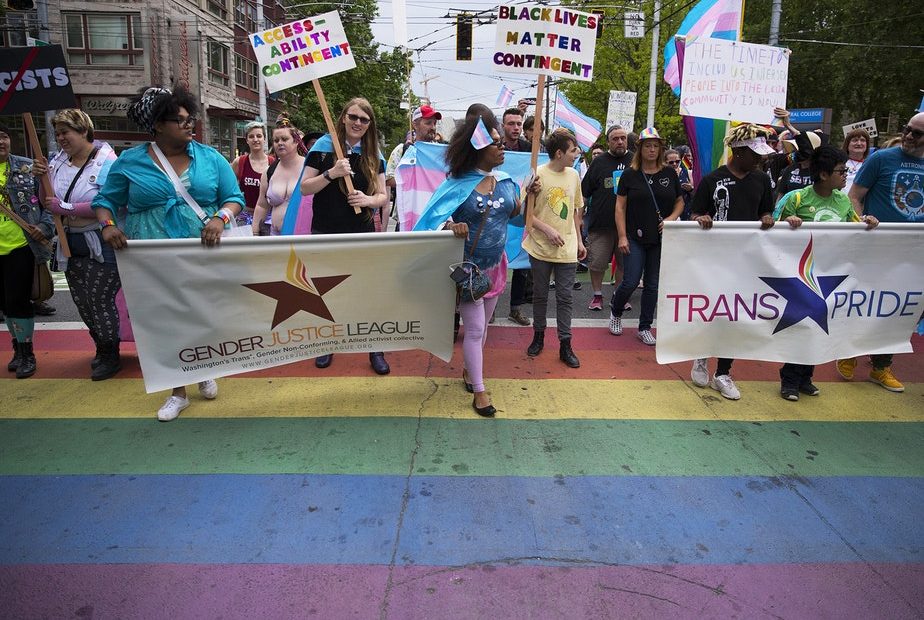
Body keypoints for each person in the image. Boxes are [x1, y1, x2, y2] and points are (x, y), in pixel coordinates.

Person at [92, 86, 245, 421]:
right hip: (151, 255)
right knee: (163, 319)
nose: (190, 126)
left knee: (200, 313)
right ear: (158, 126)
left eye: (191, 120)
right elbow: (105, 201)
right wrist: (107, 226)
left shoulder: (210, 157)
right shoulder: (130, 162)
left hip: (201, 250)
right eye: (180, 121)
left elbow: (235, 197)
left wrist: (221, 218)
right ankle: (177, 391)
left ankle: (201, 366)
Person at [414, 108, 538, 416]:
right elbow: (430, 221)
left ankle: (471, 372)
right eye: (495, 143)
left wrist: (528, 195)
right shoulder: (457, 184)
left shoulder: (507, 181)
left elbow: (516, 217)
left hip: (497, 267)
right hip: (468, 270)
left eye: (501, 142)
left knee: (482, 331)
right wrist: (451, 225)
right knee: (474, 329)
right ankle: (480, 392)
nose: (502, 147)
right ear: (478, 149)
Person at [776, 145, 879, 400]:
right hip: (800, 276)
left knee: (819, 326)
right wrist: (787, 223)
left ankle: (805, 378)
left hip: (829, 276)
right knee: (800, 326)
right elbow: (770, 230)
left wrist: (868, 222)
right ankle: (789, 380)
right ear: (823, 174)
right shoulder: (796, 198)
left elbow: (854, 227)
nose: (846, 175)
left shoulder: (843, 200)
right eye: (841, 171)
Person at [299, 97, 391, 376]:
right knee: (327, 290)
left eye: (364, 119)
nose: (358, 123)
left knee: (367, 291)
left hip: (361, 232)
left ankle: (375, 347)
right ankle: (328, 341)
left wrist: (368, 199)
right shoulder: (323, 148)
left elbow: (383, 196)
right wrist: (331, 173)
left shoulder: (374, 154)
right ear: (342, 117)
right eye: (353, 117)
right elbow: (304, 188)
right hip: (326, 231)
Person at [689, 123, 777, 400]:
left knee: (737, 315)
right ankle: (701, 355)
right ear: (738, 152)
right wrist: (699, 219)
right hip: (714, 259)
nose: (760, 159)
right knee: (713, 310)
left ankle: (723, 372)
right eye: (754, 154)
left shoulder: (762, 180)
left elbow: (766, 210)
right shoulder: (711, 180)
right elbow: (695, 213)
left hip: (747, 259)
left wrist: (766, 218)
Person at [838, 112, 924, 392]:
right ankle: (850, 351)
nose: (910, 136)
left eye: (917, 133)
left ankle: (881, 366)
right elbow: (854, 196)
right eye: (907, 129)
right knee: (866, 301)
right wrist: (862, 225)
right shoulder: (881, 159)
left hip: (913, 253)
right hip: (876, 248)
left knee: (901, 308)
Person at [43, 109, 121, 380]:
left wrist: (67, 206)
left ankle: (111, 354)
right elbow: (47, 199)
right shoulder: (56, 162)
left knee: (100, 299)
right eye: (58, 133)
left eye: (66, 132)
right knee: (82, 302)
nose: (61, 138)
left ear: (83, 131)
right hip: (68, 241)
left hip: (100, 241)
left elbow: (110, 201)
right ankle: (100, 347)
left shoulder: (107, 161)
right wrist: (41, 179)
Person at [607, 128, 683, 345]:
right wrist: (622, 236)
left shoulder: (669, 173)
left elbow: (680, 201)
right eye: (647, 145)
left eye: (655, 145)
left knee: (652, 284)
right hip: (634, 235)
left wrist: (670, 218)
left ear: (660, 148)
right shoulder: (630, 175)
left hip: (660, 238)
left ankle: (644, 326)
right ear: (640, 148)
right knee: (630, 281)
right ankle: (616, 311)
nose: (651, 149)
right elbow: (620, 207)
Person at [522, 128, 585, 367]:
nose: (576, 154)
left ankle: (565, 344)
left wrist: (578, 240)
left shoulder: (574, 176)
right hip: (539, 248)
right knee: (539, 295)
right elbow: (525, 216)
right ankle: (538, 336)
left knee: (565, 297)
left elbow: (577, 211)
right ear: (559, 153)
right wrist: (547, 230)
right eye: (573, 150)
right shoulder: (535, 175)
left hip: (567, 249)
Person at [0, 123, 52, 379]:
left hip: (21, 246)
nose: (1, 141)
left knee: (19, 302)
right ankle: (17, 350)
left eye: (4, 136)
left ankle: (27, 352)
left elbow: (50, 202)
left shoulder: (28, 167)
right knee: (4, 304)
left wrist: (44, 226)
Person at [581, 125, 633, 310]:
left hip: (628, 226)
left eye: (622, 138)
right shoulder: (599, 162)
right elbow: (584, 192)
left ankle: (619, 296)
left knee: (624, 263)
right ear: (608, 142)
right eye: (615, 139)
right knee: (597, 263)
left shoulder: (635, 160)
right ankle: (597, 296)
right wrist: (580, 218)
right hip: (600, 224)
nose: (619, 141)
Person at [500, 106, 533, 326]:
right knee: (493, 258)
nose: (515, 128)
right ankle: (488, 304)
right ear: (503, 125)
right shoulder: (494, 147)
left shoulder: (531, 148)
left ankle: (515, 309)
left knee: (521, 259)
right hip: (494, 208)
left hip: (520, 209)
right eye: (511, 123)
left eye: (519, 124)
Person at [386, 105, 442, 231]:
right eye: (428, 123)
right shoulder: (402, 150)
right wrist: (414, 181)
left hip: (433, 220)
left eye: (434, 123)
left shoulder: (440, 153)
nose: (433, 127)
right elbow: (388, 178)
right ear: (415, 125)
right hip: (406, 220)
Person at [251, 114, 309, 236]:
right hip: (275, 237)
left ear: (296, 142)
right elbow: (262, 205)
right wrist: (255, 233)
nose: (280, 143)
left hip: (303, 237)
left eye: (284, 139)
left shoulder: (309, 168)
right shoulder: (269, 171)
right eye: (276, 140)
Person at [231, 120, 274, 233]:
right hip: (244, 217)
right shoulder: (239, 162)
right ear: (247, 140)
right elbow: (229, 189)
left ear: (264, 139)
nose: (255, 139)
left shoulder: (273, 163)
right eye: (251, 136)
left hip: (268, 218)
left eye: (259, 136)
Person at [666, 148, 694, 220]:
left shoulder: (688, 173)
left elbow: (696, 195)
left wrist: (691, 189)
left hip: (686, 213)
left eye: (677, 161)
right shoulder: (662, 176)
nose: (675, 164)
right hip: (669, 214)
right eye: (671, 162)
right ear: (665, 162)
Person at [842, 128, 870, 194]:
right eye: (855, 140)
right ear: (847, 144)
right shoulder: (839, 162)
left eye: (863, 140)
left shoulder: (870, 164)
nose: (859, 143)